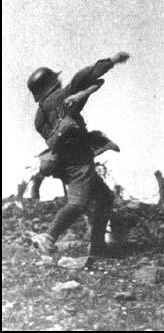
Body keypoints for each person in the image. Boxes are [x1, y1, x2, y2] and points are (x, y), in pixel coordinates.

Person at [28, 52, 130, 268]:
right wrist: (111, 62)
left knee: (104, 198)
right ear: (52, 83)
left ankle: (98, 247)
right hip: (78, 162)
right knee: (78, 203)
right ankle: (48, 237)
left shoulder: (39, 117)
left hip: (62, 162)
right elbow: (82, 78)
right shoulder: (60, 97)